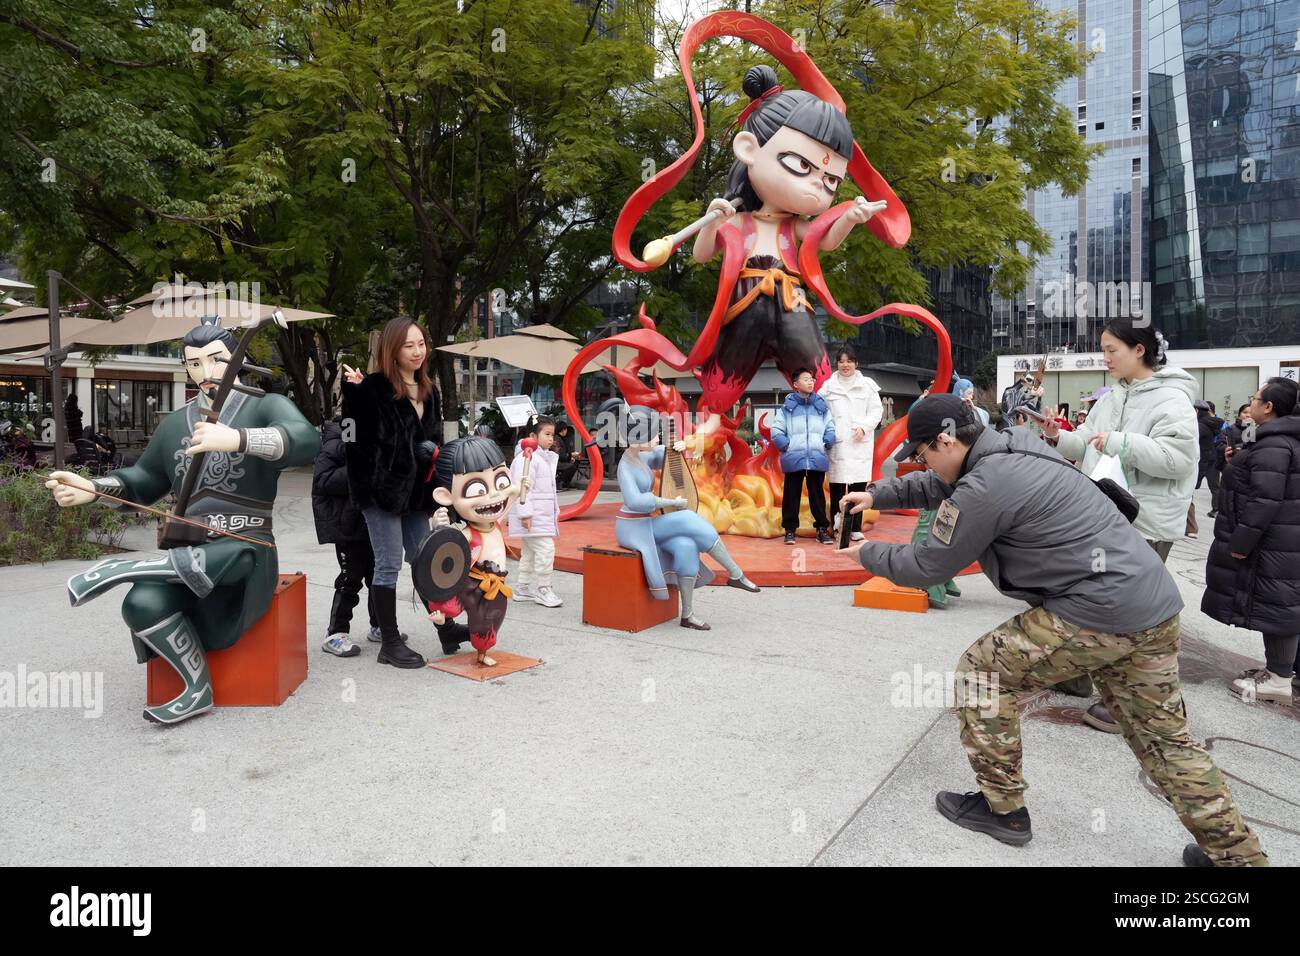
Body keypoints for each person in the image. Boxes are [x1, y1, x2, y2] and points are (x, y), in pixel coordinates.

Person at [837, 393, 1267, 866]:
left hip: (1097, 610)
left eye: (922, 454)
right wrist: (878, 493)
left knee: (982, 674)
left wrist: (867, 555)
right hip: (1152, 604)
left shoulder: (986, 485)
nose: (922, 463)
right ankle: (1238, 858)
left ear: (944, 439)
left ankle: (1004, 811)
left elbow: (928, 562)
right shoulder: (1016, 444)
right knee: (1166, 741)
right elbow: (946, 485)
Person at [45, 315, 320, 725]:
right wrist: (94, 488)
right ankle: (196, 688)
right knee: (142, 601)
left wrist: (238, 438)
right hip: (189, 548)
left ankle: (125, 566)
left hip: (247, 548)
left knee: (231, 555)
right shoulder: (176, 423)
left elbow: (306, 440)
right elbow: (144, 480)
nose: (206, 373)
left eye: (216, 360)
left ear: (237, 360)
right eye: (194, 363)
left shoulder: (265, 405)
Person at [1041, 318, 1198, 733]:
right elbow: (1089, 442)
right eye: (1103, 349)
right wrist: (1059, 436)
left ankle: (1139, 704)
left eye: (1112, 350)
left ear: (1139, 350)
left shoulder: (1173, 399)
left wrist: (1119, 441)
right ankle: (1075, 675)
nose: (1105, 357)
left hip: (1146, 521)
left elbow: (1177, 460)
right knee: (1087, 596)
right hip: (1104, 516)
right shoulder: (1112, 396)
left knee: (1133, 613)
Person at [341, 316, 465, 669]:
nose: (417, 351)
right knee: (389, 563)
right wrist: (352, 395)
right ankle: (389, 642)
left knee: (424, 558)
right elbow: (351, 439)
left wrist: (436, 484)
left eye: (421, 344)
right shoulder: (375, 387)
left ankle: (447, 628)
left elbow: (435, 443)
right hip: (380, 494)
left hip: (416, 494)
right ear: (392, 350)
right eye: (408, 345)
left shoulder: (430, 390)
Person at [615, 405, 759, 630]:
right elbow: (635, 502)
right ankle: (735, 573)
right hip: (633, 526)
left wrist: (679, 445)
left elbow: (661, 454)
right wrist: (670, 503)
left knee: (686, 545)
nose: (656, 438)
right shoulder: (626, 466)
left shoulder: (642, 456)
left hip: (646, 522)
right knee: (687, 520)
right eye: (653, 434)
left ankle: (688, 615)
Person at [1202, 377, 1300, 705]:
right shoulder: (1276, 441)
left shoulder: (1275, 444)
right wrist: (1237, 462)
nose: (1252, 404)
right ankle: (1281, 672)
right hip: (1281, 540)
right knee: (1281, 605)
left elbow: (1264, 500)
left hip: (1272, 543)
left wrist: (1240, 543)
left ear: (1269, 407)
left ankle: (1279, 680)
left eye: (1256, 399)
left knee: (1279, 607)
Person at [819, 347, 882, 542]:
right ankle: (838, 526)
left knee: (858, 487)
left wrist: (864, 427)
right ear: (836, 364)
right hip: (837, 444)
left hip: (859, 443)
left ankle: (855, 527)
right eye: (841, 361)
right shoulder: (827, 388)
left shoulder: (868, 385)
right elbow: (820, 413)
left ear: (856, 363)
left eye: (849, 361)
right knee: (837, 487)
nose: (845, 365)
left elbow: (876, 411)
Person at [771, 368, 837, 545]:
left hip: (816, 456)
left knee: (817, 495)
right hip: (794, 456)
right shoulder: (787, 408)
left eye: (812, 379)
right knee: (791, 495)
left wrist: (827, 441)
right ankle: (790, 530)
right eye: (806, 379)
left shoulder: (821, 407)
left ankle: (822, 529)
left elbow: (830, 427)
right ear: (795, 384)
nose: (810, 382)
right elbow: (776, 430)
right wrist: (787, 445)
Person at [508, 415, 562, 608]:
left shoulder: (540, 458)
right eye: (547, 434)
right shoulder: (528, 458)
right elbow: (522, 488)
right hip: (533, 516)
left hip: (539, 515)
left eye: (552, 435)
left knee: (529, 552)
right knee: (546, 550)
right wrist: (525, 514)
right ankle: (543, 588)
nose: (551, 439)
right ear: (533, 435)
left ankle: (522, 587)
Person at [1193, 400, 1225, 525]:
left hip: (1202, 459)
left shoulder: (1199, 425)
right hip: (1212, 457)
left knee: (1190, 488)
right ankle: (1216, 509)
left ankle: (1190, 525)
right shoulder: (1214, 423)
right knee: (1215, 486)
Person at [554, 420, 581, 489]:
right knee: (571, 466)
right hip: (557, 461)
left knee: (576, 461)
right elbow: (560, 455)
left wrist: (570, 456)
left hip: (561, 459)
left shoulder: (562, 438)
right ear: (563, 430)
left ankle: (565, 482)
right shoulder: (557, 439)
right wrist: (571, 455)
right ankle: (559, 481)